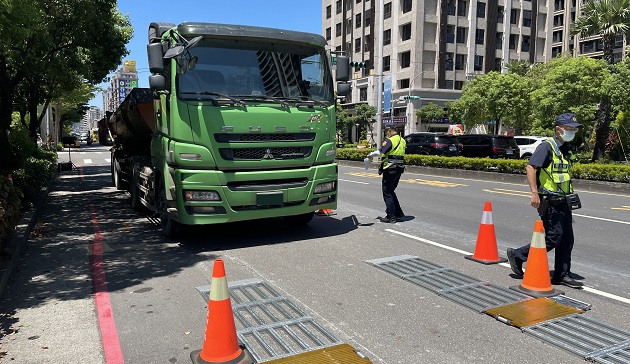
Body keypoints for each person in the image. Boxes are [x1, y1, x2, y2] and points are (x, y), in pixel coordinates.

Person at [507, 113, 583, 289]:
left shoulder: (566, 148)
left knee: (567, 240)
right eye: (569, 129)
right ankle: (518, 255)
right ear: (558, 129)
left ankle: (561, 275)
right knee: (553, 237)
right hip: (550, 201)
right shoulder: (546, 147)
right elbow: (530, 167)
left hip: (564, 200)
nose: (572, 132)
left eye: (574, 129)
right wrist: (534, 192)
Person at [367, 126, 407, 223]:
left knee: (387, 192)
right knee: (391, 191)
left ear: (389, 131)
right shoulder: (402, 140)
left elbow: (381, 151)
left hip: (390, 168)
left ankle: (391, 216)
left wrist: (370, 155)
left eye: (386, 132)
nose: (386, 134)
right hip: (399, 168)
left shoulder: (390, 140)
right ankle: (398, 212)